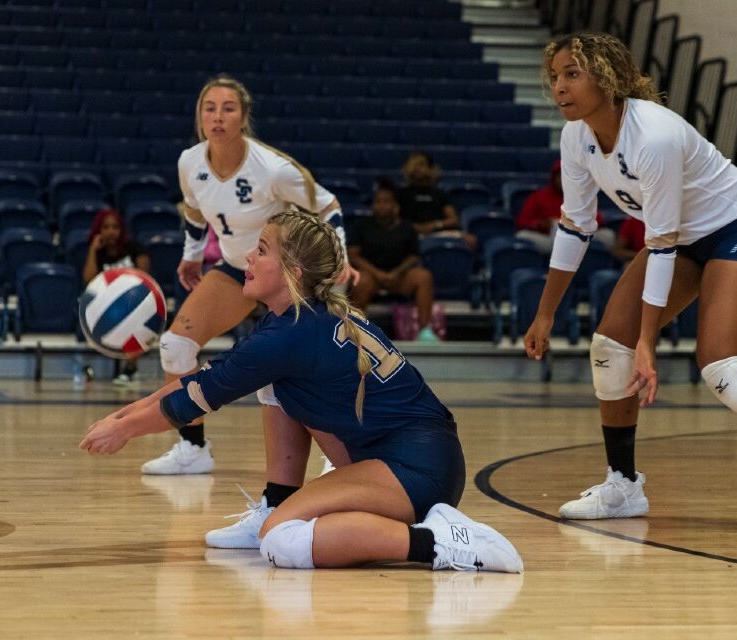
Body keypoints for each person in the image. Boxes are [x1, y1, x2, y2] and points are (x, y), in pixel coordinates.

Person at [525, 32, 737, 535]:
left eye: (573, 74)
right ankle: (623, 485)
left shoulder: (652, 134)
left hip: (736, 226)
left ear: (606, 78)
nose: (560, 87)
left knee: (722, 364)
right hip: (679, 241)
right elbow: (575, 226)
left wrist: (649, 342)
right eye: (555, 77)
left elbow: (660, 244)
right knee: (610, 348)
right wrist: (546, 312)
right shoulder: (578, 138)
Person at [80, 210, 523, 573]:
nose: (247, 259)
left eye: (261, 251)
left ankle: (445, 543)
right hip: (413, 458)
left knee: (283, 543)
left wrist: (124, 431)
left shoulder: (288, 334)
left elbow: (194, 398)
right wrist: (122, 417)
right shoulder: (295, 318)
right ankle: (280, 500)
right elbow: (198, 382)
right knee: (274, 386)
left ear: (291, 272)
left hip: (413, 471)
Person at [144, 75, 359, 548]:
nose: (218, 117)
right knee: (175, 344)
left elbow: (329, 206)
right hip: (236, 268)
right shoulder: (189, 163)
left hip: (284, 274)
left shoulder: (272, 168)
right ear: (199, 117)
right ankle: (192, 448)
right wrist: (191, 254)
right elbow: (196, 214)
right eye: (209, 109)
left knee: (291, 369)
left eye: (228, 109)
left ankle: (336, 455)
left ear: (244, 117)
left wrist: (339, 259)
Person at [348, 181, 439, 342]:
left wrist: (395, 273)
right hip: (372, 276)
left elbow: (413, 256)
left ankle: (425, 331)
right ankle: (357, 332)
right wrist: (378, 274)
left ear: (395, 205)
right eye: (378, 202)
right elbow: (353, 255)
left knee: (424, 276)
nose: (381, 206)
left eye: (386, 202)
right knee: (361, 280)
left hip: (399, 277)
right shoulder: (361, 225)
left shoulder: (406, 227)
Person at [81, 207, 150, 386]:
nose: (111, 231)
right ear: (99, 230)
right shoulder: (99, 253)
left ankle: (129, 368)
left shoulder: (134, 247)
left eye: (115, 227)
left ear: (121, 230)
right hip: (105, 304)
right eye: (106, 227)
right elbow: (89, 280)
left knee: (138, 319)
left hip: (133, 300)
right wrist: (93, 250)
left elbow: (145, 276)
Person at [515, 159, 614, 254]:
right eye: (561, 176)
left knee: (608, 235)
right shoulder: (538, 197)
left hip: (580, 237)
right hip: (549, 238)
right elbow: (522, 222)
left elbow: (598, 220)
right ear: (554, 178)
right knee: (522, 235)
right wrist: (539, 224)